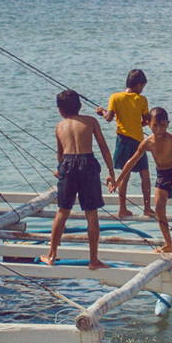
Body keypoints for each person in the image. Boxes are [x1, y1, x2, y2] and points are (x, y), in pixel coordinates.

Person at [40, 89, 115, 270]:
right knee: (91, 212)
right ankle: (93, 260)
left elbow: (60, 153)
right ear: (80, 106)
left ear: (60, 110)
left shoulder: (59, 127)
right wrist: (111, 171)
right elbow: (104, 148)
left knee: (63, 210)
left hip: (67, 164)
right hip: (87, 163)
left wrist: (61, 170)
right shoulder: (91, 121)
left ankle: (51, 255)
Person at [110, 107, 172, 252]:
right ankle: (168, 243)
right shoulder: (147, 143)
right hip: (162, 173)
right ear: (148, 124)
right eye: (155, 126)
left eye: (162, 125)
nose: (159, 129)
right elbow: (131, 161)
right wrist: (118, 180)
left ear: (167, 124)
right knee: (158, 206)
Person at [95, 69, 153, 218]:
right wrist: (138, 124)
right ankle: (147, 207)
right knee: (145, 174)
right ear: (139, 85)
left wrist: (101, 111)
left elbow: (108, 118)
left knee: (124, 174)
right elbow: (147, 120)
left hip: (122, 140)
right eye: (143, 87)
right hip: (139, 142)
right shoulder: (142, 100)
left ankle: (122, 209)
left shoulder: (115, 97)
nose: (142, 90)